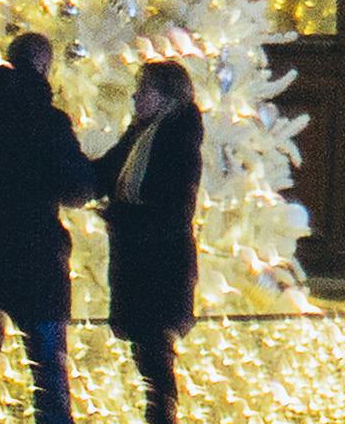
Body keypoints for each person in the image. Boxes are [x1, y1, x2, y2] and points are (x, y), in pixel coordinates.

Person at [0, 34, 103, 424]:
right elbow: (77, 187)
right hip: (37, 261)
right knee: (49, 380)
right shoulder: (48, 121)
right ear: (44, 67)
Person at [93, 61, 207, 424]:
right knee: (147, 355)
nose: (136, 96)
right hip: (138, 263)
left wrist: (120, 216)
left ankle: (162, 417)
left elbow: (175, 211)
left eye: (145, 90)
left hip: (161, 266)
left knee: (156, 358)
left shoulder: (177, 140)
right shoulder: (139, 135)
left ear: (167, 97)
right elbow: (103, 173)